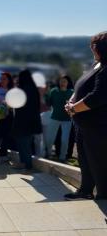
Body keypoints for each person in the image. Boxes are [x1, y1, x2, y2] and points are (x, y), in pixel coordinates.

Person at [64, 32, 107, 201]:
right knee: (85, 160)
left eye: (93, 45)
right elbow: (82, 87)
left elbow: (97, 96)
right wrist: (72, 100)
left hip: (97, 126)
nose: (91, 48)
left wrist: (73, 109)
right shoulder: (97, 64)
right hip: (83, 124)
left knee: (99, 162)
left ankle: (103, 196)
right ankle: (86, 190)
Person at [11, 69, 42, 170]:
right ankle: (24, 164)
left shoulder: (22, 89)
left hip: (22, 121)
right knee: (27, 144)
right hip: (32, 121)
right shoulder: (34, 89)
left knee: (22, 144)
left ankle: (27, 165)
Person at [45, 75, 74, 161]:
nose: (62, 83)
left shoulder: (72, 92)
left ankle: (62, 157)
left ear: (68, 83)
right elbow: (48, 103)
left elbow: (74, 106)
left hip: (67, 120)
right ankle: (48, 154)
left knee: (64, 140)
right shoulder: (54, 91)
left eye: (64, 81)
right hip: (54, 117)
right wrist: (46, 94)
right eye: (61, 81)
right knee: (50, 138)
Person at [0, 72, 14, 162]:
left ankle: (3, 155)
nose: (2, 80)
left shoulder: (13, 90)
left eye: (4, 78)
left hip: (9, 116)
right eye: (1, 78)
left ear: (9, 79)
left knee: (5, 136)